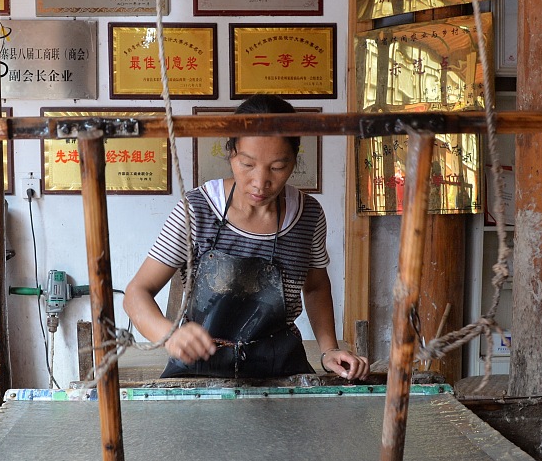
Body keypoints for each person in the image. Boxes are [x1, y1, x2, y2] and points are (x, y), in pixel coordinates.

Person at [123, 94, 369, 380]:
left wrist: (329, 351)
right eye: (248, 164)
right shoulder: (197, 210)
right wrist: (170, 336)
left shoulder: (308, 215)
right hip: (200, 370)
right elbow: (136, 293)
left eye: (277, 167)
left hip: (280, 369)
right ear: (231, 153)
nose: (260, 181)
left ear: (293, 161)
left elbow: (315, 287)